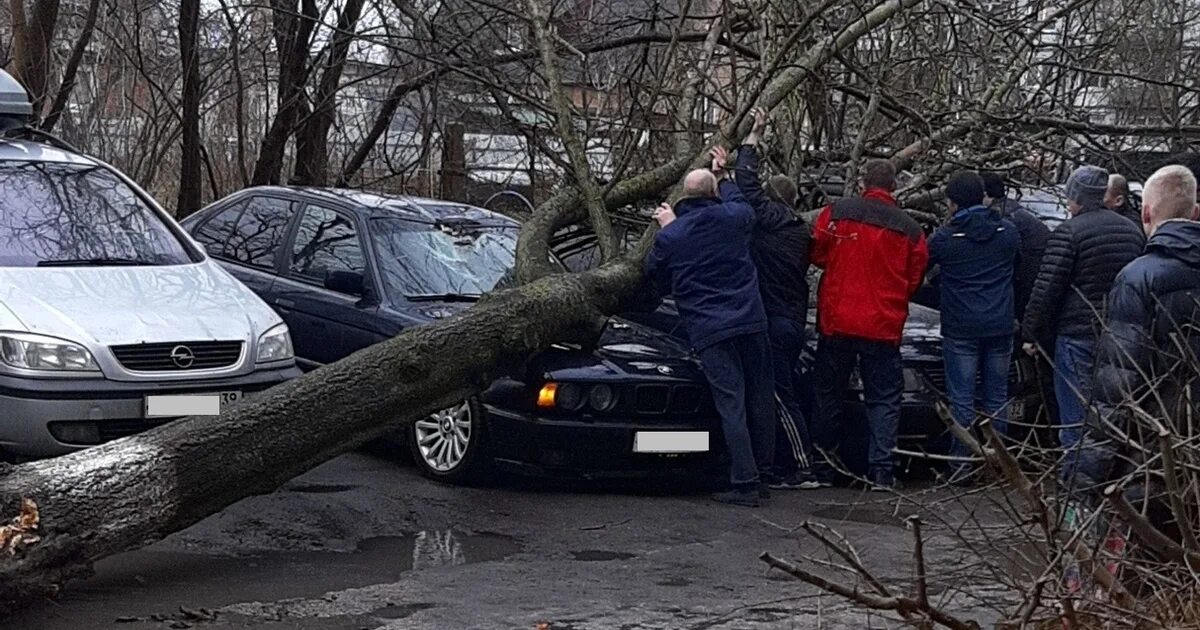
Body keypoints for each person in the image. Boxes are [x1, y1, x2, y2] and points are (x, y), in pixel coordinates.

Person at [1068, 164, 1200, 529]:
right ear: (1195, 212)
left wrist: (1085, 480)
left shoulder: (1139, 278)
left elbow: (1117, 386)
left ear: (1145, 211)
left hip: (1150, 458)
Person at [645, 166, 775, 507]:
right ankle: (762, 473)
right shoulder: (734, 218)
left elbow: (653, 272)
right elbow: (742, 202)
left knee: (731, 402)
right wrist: (726, 176)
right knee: (760, 398)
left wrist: (670, 226)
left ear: (684, 197)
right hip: (750, 319)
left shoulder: (673, 235)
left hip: (709, 325)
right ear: (714, 193)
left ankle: (745, 481)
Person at [713, 109, 818, 490]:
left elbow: (747, 184)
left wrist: (754, 136)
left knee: (778, 394)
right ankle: (772, 465)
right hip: (789, 318)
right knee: (772, 392)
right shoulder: (799, 231)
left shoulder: (769, 220)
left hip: (774, 320)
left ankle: (802, 467)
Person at [809, 159, 928, 490]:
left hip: (838, 319)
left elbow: (818, 253)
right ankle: (882, 470)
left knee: (828, 393)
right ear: (894, 186)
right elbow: (914, 278)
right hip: (882, 324)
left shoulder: (837, 212)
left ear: (862, 182)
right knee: (884, 398)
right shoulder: (910, 229)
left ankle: (823, 464)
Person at [1020, 165, 1146, 454]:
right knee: (1111, 413)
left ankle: (1075, 488)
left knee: (1075, 415)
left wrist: (1031, 333)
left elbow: (1046, 288)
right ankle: (1106, 482)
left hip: (1077, 333)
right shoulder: (1131, 230)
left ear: (1076, 196)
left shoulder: (1069, 232)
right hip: (1120, 335)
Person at [928, 172, 1021, 484]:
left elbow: (920, 272)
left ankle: (960, 467)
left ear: (952, 203)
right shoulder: (1007, 233)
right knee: (996, 397)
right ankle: (999, 467)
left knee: (962, 399)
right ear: (983, 196)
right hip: (999, 325)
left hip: (961, 327)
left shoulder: (944, 239)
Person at [981, 172, 1050, 323]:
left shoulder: (1001, 217)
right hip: (1037, 273)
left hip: (1027, 276)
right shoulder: (1012, 209)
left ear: (985, 195)